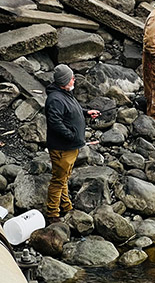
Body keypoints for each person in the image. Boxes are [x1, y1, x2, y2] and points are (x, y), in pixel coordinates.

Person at [45, 64, 100, 223]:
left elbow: (72, 110)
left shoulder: (65, 93)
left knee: (64, 178)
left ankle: (66, 205)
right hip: (62, 148)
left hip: (70, 147)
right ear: (63, 81)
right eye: (71, 78)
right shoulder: (55, 99)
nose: (74, 79)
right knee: (58, 181)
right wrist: (71, 136)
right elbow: (55, 122)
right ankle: (52, 214)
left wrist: (86, 113)